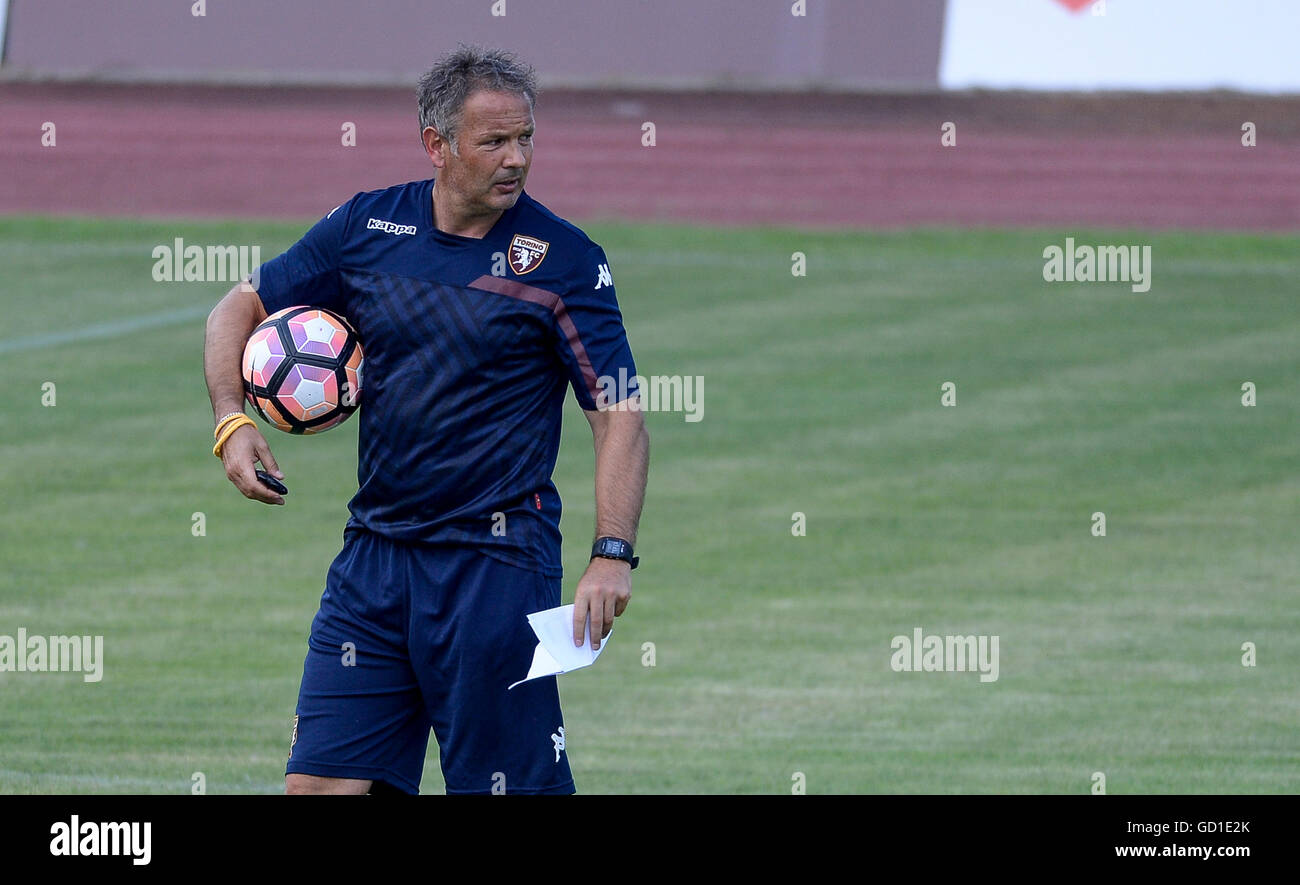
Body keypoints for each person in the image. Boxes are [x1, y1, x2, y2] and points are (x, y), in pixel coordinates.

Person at [202, 45, 648, 795]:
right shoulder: (368, 227)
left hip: (495, 567)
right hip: (374, 561)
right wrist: (230, 419)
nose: (517, 159)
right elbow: (238, 305)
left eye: (526, 138)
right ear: (436, 146)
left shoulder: (564, 261)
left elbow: (620, 413)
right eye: (494, 142)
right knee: (321, 787)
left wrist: (612, 551)